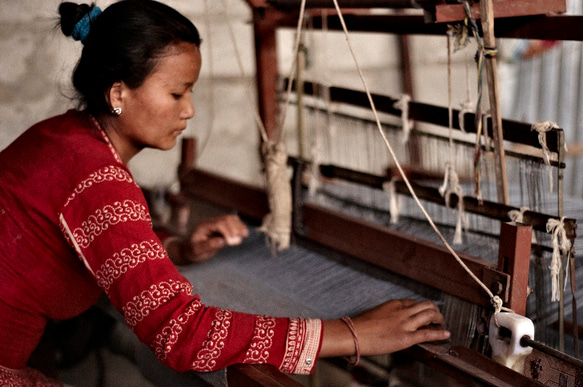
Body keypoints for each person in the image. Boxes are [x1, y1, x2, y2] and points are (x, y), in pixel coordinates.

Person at [0, 0, 450, 385]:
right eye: (177, 92)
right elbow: (182, 335)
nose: (190, 110)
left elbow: (82, 241)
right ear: (119, 92)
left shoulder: (60, 137)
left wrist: (175, 249)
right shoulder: (98, 178)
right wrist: (354, 335)